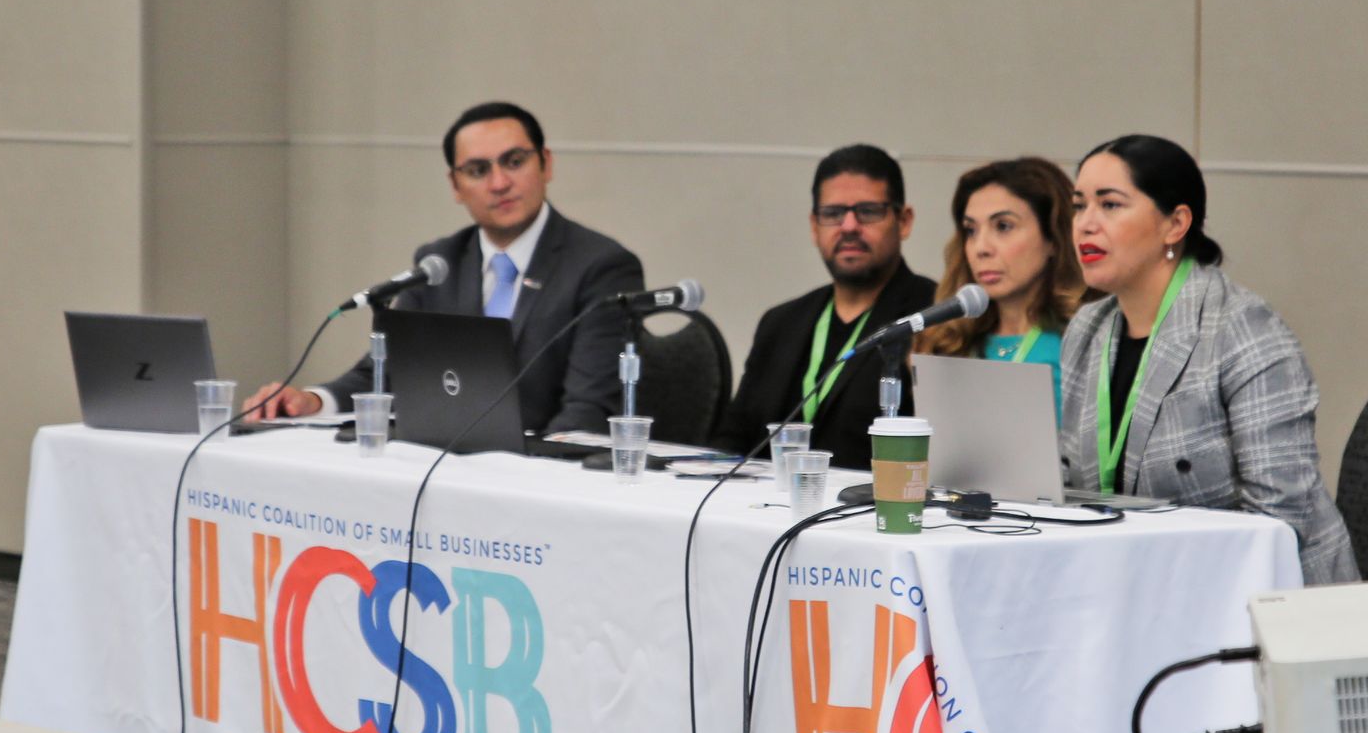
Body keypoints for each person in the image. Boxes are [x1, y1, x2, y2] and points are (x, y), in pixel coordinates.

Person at [1060, 135, 1357, 585]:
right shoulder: (1087, 329)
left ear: (1175, 224)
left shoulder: (1244, 330)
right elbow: (1068, 486)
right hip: (1127, 583)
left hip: (1264, 604)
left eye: (1110, 205)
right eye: (1079, 205)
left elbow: (1280, 519)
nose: (1085, 224)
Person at [246, 101, 644, 434]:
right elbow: (382, 374)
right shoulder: (439, 264)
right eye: (477, 170)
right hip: (448, 470)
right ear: (455, 186)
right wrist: (311, 401)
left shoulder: (601, 267)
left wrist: (521, 474)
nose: (499, 182)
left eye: (515, 161)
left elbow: (589, 409)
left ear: (546, 164)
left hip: (540, 480)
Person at [713, 144, 936, 467]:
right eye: (832, 214)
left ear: (904, 221)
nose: (848, 227)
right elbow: (733, 438)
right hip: (764, 509)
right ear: (814, 226)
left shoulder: (934, 317)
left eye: (868, 211)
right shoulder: (780, 323)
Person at [915, 157, 1084, 414]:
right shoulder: (949, 342)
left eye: (1003, 226)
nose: (981, 248)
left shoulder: (1082, 339)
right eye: (970, 231)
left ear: (1053, 239)